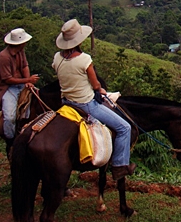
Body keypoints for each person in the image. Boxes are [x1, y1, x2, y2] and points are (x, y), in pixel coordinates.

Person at [52, 19, 135, 180]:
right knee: (125, 128)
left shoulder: (57, 58)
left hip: (65, 103)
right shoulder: (85, 59)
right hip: (86, 105)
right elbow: (95, 84)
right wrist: (100, 89)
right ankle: (119, 165)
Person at [0, 28, 40, 145]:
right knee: (10, 117)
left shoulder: (21, 52)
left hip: (21, 83)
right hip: (7, 88)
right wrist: (28, 79)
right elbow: (7, 79)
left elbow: (25, 66)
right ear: (19, 43)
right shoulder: (3, 57)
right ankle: (10, 140)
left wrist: (28, 82)